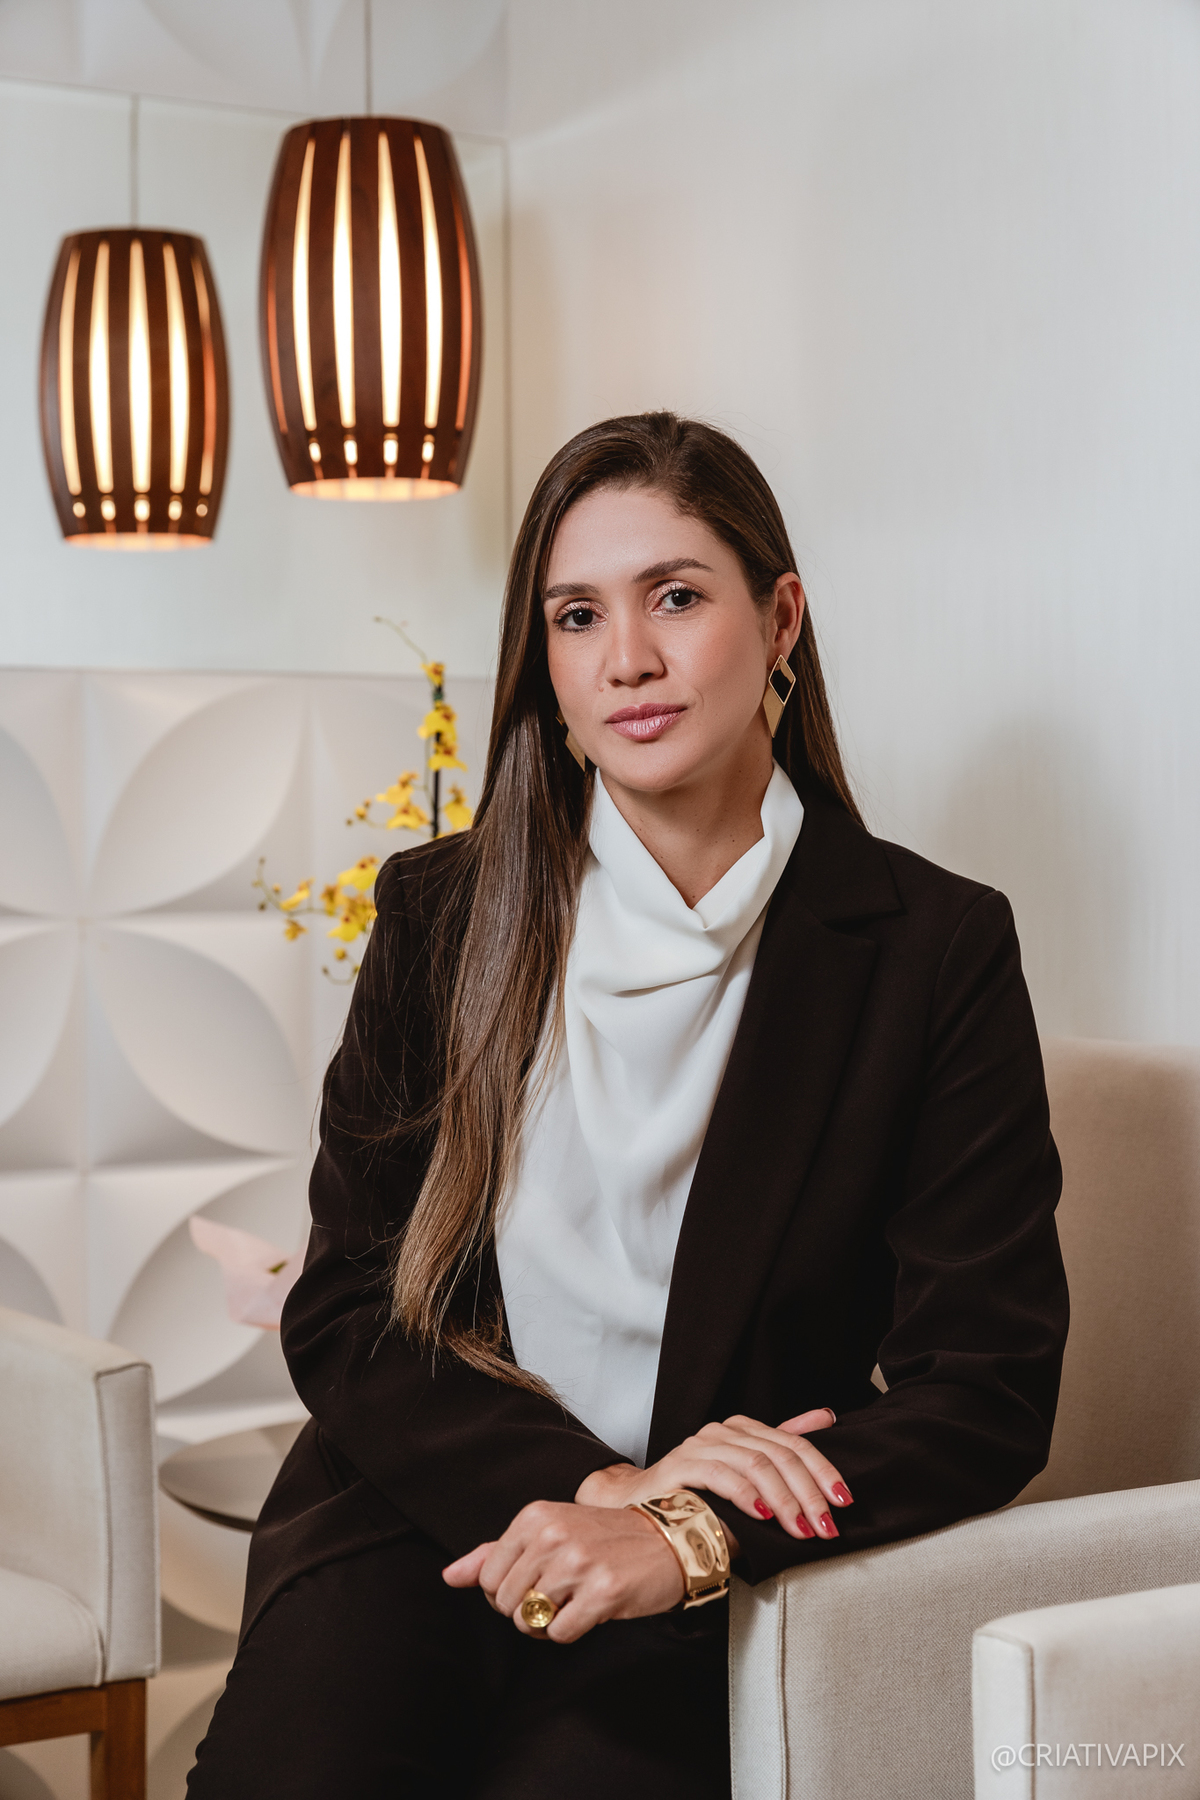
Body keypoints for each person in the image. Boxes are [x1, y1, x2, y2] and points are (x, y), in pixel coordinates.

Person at [187, 412, 1068, 1799]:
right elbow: (349, 1302)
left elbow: (988, 1387)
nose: (628, 660)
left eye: (677, 597)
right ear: (544, 663)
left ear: (781, 621)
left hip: (703, 1589)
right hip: (421, 1518)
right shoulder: (443, 913)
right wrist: (599, 1487)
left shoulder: (933, 948)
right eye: (578, 616)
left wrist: (688, 1533)